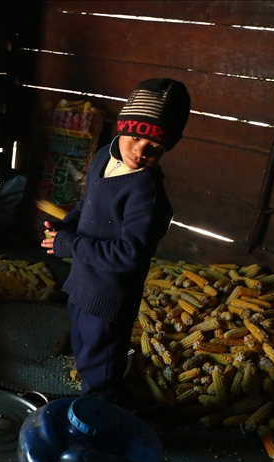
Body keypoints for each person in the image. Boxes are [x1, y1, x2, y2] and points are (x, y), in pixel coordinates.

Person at [41, 78, 191, 403]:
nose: (140, 151)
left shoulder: (146, 195)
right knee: (82, 343)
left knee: (102, 365)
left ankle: (97, 418)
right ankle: (87, 395)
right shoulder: (104, 160)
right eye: (135, 137)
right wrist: (65, 229)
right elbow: (87, 203)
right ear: (122, 128)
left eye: (155, 146)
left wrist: (72, 246)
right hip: (82, 282)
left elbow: (130, 256)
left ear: (166, 147)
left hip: (109, 298)